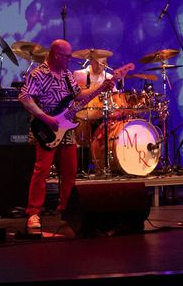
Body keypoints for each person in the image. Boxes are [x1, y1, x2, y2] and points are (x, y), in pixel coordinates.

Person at [20, 40, 121, 230]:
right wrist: (46, 117)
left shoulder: (66, 74)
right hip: (46, 128)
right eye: (66, 56)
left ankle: (67, 210)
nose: (69, 60)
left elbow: (79, 95)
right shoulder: (38, 74)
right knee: (41, 171)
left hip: (66, 129)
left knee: (69, 172)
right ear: (55, 55)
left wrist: (102, 87)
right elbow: (24, 97)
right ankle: (33, 213)